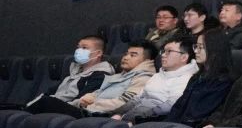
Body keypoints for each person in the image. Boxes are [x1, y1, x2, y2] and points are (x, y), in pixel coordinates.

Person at [30, 42, 158, 117]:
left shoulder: (144, 78)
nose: (126, 57)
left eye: (133, 55)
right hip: (88, 110)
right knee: (48, 104)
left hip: (99, 115)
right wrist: (77, 104)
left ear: (147, 60)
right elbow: (93, 95)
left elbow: (124, 103)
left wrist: (91, 105)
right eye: (126, 54)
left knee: (47, 102)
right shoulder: (118, 76)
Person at [113, 36, 200, 123]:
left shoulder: (187, 79)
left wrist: (136, 119)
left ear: (184, 57)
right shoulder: (157, 76)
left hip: (151, 121)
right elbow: (138, 98)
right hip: (134, 116)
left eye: (169, 51)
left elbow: (170, 106)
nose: (163, 55)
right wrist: (118, 113)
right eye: (163, 51)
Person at [164, 28, 235, 128]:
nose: (196, 51)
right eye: (196, 46)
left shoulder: (223, 82)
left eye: (200, 47)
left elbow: (199, 114)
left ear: (214, 49)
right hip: (178, 126)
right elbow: (178, 107)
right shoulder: (197, 77)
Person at [26, 35, 114, 109]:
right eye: (78, 47)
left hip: (74, 110)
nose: (78, 51)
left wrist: (52, 104)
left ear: (98, 53)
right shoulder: (73, 72)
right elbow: (50, 92)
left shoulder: (101, 75)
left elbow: (82, 101)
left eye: (84, 48)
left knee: (46, 101)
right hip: (56, 106)